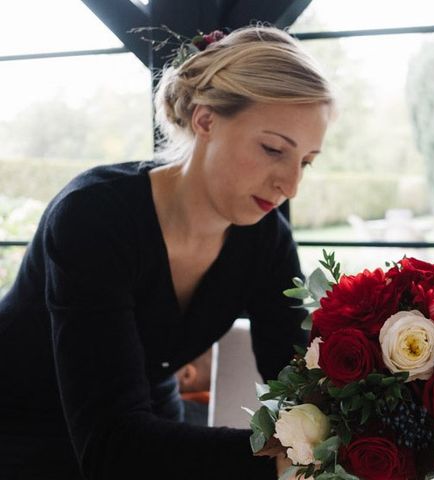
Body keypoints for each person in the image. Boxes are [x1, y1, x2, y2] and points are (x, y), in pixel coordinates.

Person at [0, 25, 334, 479]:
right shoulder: (93, 217)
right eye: (273, 149)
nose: (290, 185)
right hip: (22, 430)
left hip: (148, 431)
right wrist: (277, 460)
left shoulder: (265, 238)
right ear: (206, 119)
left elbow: (298, 378)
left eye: (306, 162)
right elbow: (109, 447)